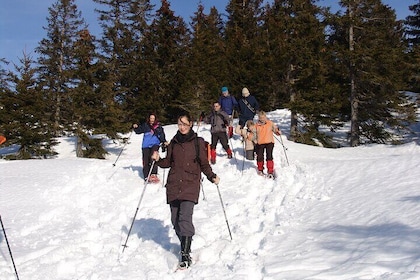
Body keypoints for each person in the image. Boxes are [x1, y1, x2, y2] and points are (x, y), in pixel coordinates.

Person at [151, 112, 220, 269]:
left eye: (184, 124)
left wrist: (212, 176)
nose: (181, 127)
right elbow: (168, 162)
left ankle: (185, 254)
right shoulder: (173, 143)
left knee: (184, 219)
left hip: (190, 183)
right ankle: (185, 243)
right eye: (179, 124)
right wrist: (158, 160)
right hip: (174, 183)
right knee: (175, 221)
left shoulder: (197, 142)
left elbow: (204, 163)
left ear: (190, 124)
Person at [132, 113, 167, 183]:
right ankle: (146, 175)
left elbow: (162, 135)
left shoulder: (158, 126)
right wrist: (135, 127)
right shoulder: (145, 125)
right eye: (151, 118)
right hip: (145, 145)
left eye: (153, 119)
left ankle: (153, 174)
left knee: (153, 158)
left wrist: (164, 142)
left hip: (155, 144)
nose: (152, 120)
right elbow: (138, 130)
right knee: (146, 160)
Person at [249, 111, 281, 178]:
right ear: (259, 118)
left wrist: (278, 131)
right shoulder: (256, 126)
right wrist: (249, 136)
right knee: (260, 156)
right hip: (260, 143)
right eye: (261, 118)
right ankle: (260, 169)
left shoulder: (270, 123)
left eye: (263, 117)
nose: (262, 119)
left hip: (269, 142)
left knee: (269, 156)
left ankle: (270, 171)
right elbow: (253, 135)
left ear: (265, 117)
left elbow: (275, 129)